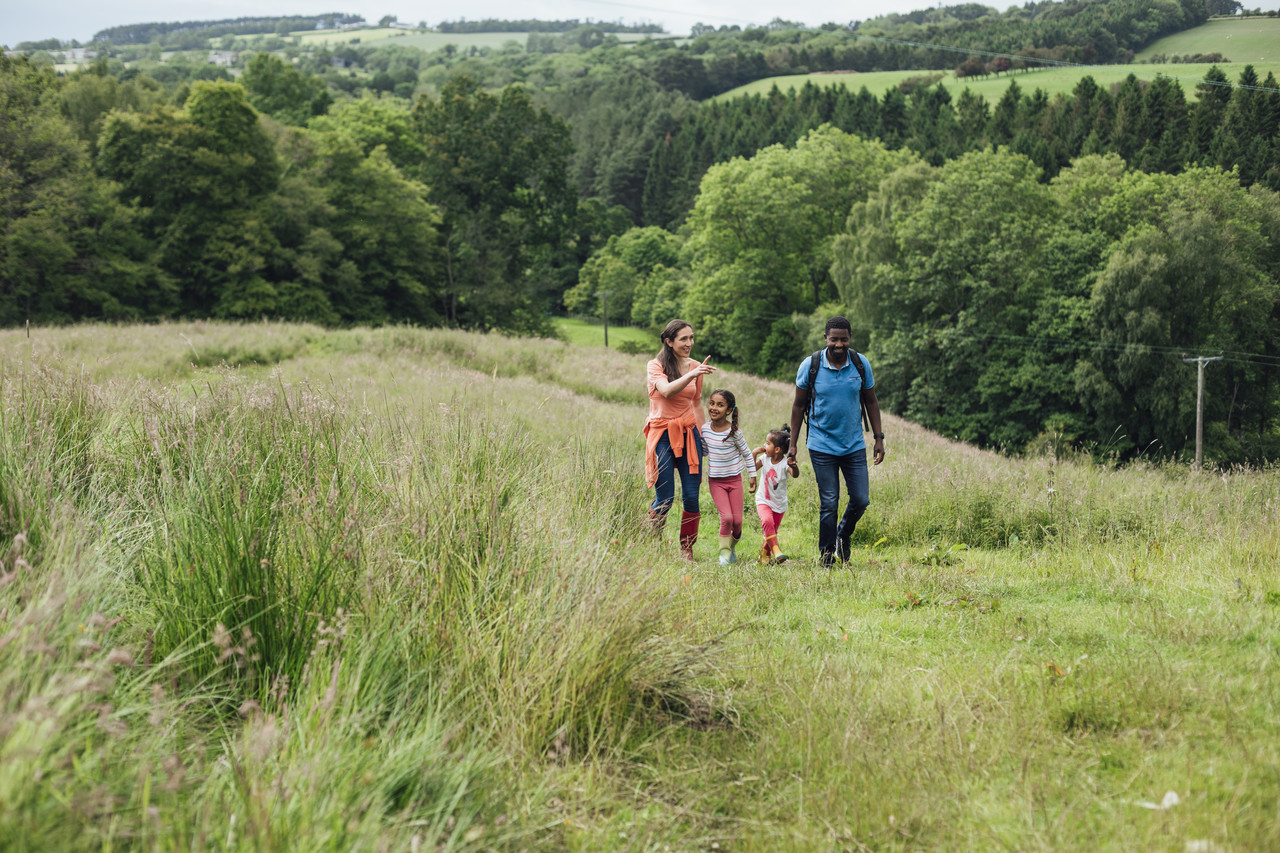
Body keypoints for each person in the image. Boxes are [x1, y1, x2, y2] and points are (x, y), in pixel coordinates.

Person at [788, 316, 885, 566]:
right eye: (834, 339)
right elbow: (799, 406)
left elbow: (871, 401)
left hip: (853, 444)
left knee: (861, 499)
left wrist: (878, 437)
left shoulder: (860, 363)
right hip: (821, 444)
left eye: (843, 339)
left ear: (849, 339)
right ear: (825, 339)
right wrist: (793, 445)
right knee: (829, 502)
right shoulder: (811, 365)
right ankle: (826, 556)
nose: (839, 344)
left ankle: (843, 534)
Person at [644, 318, 717, 561]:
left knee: (691, 496)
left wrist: (703, 435)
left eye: (691, 338)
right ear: (669, 341)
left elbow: (695, 402)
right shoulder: (655, 366)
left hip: (689, 435)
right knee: (665, 498)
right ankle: (652, 538)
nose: (689, 343)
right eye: (683, 338)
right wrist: (693, 373)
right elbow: (666, 391)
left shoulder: (696, 366)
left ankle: (687, 548)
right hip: (663, 434)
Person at [704, 389, 757, 566]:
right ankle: (724, 555)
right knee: (726, 518)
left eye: (720, 405)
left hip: (734, 481)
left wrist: (752, 476)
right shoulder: (704, 430)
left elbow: (747, 454)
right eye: (712, 403)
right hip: (716, 482)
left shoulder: (734, 432)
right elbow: (704, 451)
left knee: (738, 522)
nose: (714, 408)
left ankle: (732, 547)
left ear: (728, 410)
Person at [753, 426, 799, 565]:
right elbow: (752, 468)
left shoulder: (785, 463)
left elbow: (794, 474)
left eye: (767, 443)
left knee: (771, 531)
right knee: (767, 522)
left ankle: (764, 556)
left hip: (779, 504)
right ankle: (776, 550)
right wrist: (754, 453)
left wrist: (795, 466)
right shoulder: (764, 459)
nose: (764, 446)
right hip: (763, 500)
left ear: (777, 449)